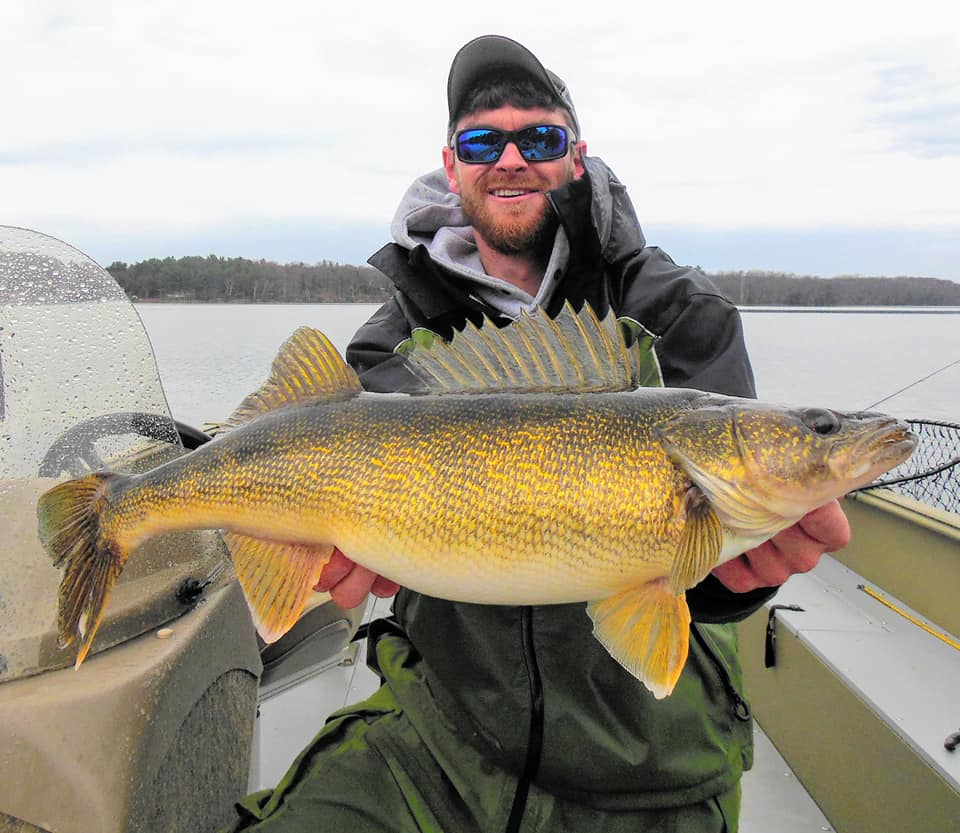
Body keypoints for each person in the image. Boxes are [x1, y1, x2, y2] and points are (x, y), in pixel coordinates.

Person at [225, 34, 850, 833]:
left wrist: (748, 576)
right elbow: (362, 549)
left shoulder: (681, 312)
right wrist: (325, 557)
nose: (511, 157)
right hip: (442, 732)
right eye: (484, 141)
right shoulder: (388, 345)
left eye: (540, 138)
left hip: (652, 759)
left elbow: (719, 586)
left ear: (577, 156)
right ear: (452, 166)